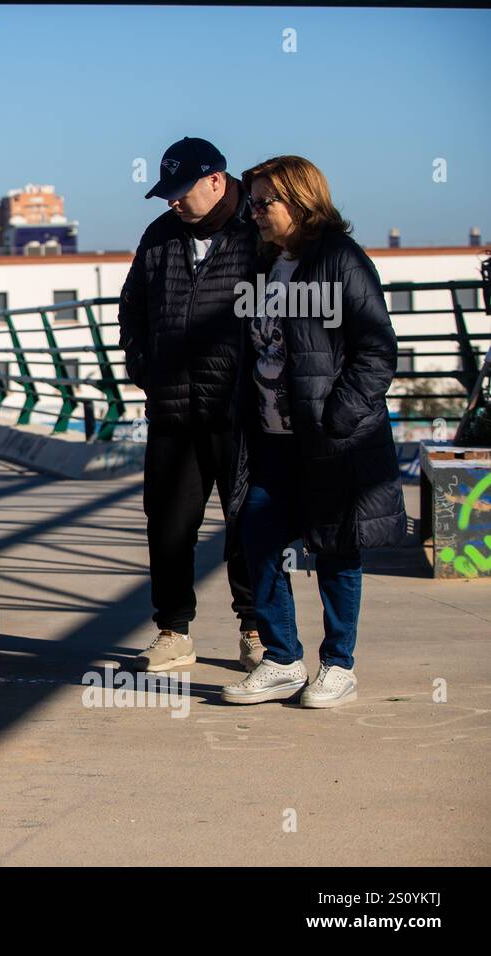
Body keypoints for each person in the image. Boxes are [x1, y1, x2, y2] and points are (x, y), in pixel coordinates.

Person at [221, 156, 406, 708]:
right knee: (259, 538)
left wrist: (338, 416)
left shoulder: (340, 260)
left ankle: (338, 665)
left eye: (263, 203)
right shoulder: (262, 264)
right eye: (251, 202)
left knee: (336, 547)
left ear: (301, 202)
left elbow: (377, 349)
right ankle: (281, 660)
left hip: (333, 439)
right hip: (271, 440)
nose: (253, 213)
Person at [117, 136, 262, 672]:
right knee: (169, 524)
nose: (174, 202)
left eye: (182, 192)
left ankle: (256, 628)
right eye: (168, 193)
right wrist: (144, 367)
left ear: (216, 180)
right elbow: (131, 308)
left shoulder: (257, 228)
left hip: (241, 410)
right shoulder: (159, 236)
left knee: (249, 521)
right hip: (174, 408)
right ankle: (173, 631)